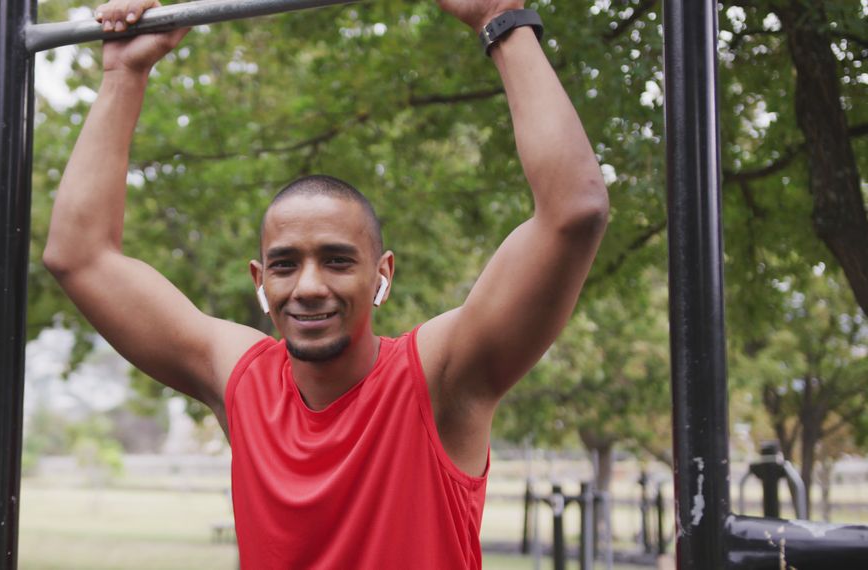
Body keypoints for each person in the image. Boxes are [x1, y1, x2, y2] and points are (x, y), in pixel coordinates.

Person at [43, 0, 608, 567]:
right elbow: (79, 256)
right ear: (260, 280)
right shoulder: (240, 377)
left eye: (337, 260)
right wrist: (122, 76)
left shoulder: (439, 378)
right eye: (285, 264)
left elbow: (573, 212)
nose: (309, 286)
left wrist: (500, 18)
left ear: (381, 273)